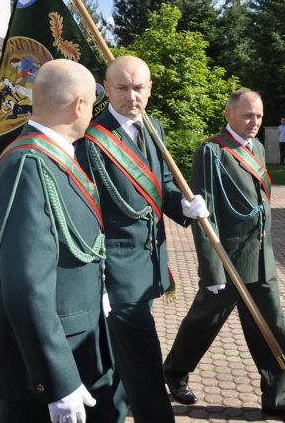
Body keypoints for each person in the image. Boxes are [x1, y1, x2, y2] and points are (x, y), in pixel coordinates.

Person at [0, 59, 117, 422]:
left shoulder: (53, 159)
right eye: (91, 102)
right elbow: (27, 284)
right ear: (79, 106)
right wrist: (58, 380)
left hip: (73, 343)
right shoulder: (28, 164)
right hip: (36, 364)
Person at [163, 89, 285, 423]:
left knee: (272, 327)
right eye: (248, 115)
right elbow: (207, 214)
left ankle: (278, 397)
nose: (254, 123)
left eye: (259, 116)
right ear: (229, 115)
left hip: (261, 257)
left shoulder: (257, 148)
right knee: (204, 323)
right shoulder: (212, 151)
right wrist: (212, 272)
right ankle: (174, 373)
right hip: (228, 260)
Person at [76, 55, 208, 423]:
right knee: (145, 360)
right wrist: (98, 277)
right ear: (105, 88)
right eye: (122, 87)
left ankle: (114, 411)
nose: (131, 96)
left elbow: (161, 186)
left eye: (139, 88)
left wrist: (184, 206)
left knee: (123, 358)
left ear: (150, 90)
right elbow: (87, 212)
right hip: (115, 271)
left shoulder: (154, 128)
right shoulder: (91, 138)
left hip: (148, 264)